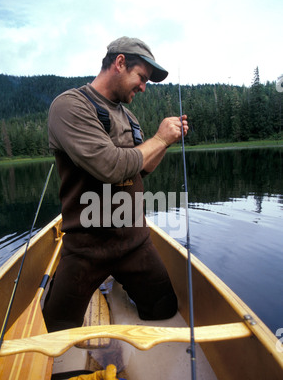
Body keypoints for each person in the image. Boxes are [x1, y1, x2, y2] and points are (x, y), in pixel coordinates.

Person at [43, 36, 189, 332]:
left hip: (134, 242)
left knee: (164, 309)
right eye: (142, 78)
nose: (144, 87)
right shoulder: (69, 106)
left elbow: (140, 168)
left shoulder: (130, 117)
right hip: (86, 248)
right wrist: (159, 138)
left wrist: (165, 144)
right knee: (55, 331)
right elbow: (110, 166)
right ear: (120, 63)